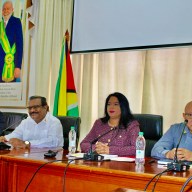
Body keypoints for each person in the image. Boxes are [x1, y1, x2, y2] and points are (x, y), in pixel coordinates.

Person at [80, 92, 140, 156]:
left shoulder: (131, 125)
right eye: (108, 104)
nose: (111, 107)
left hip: (122, 164)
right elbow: (84, 143)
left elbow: (137, 149)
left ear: (123, 107)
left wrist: (110, 150)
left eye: (116, 104)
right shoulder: (99, 123)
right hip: (100, 163)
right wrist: (97, 148)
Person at [0, 0, 23, 82]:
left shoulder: (16, 22)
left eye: (8, 9)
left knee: (10, 94)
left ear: (12, 10)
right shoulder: (0, 25)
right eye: (4, 9)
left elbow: (20, 45)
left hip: (12, 65)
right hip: (0, 65)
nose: (6, 11)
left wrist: (18, 67)